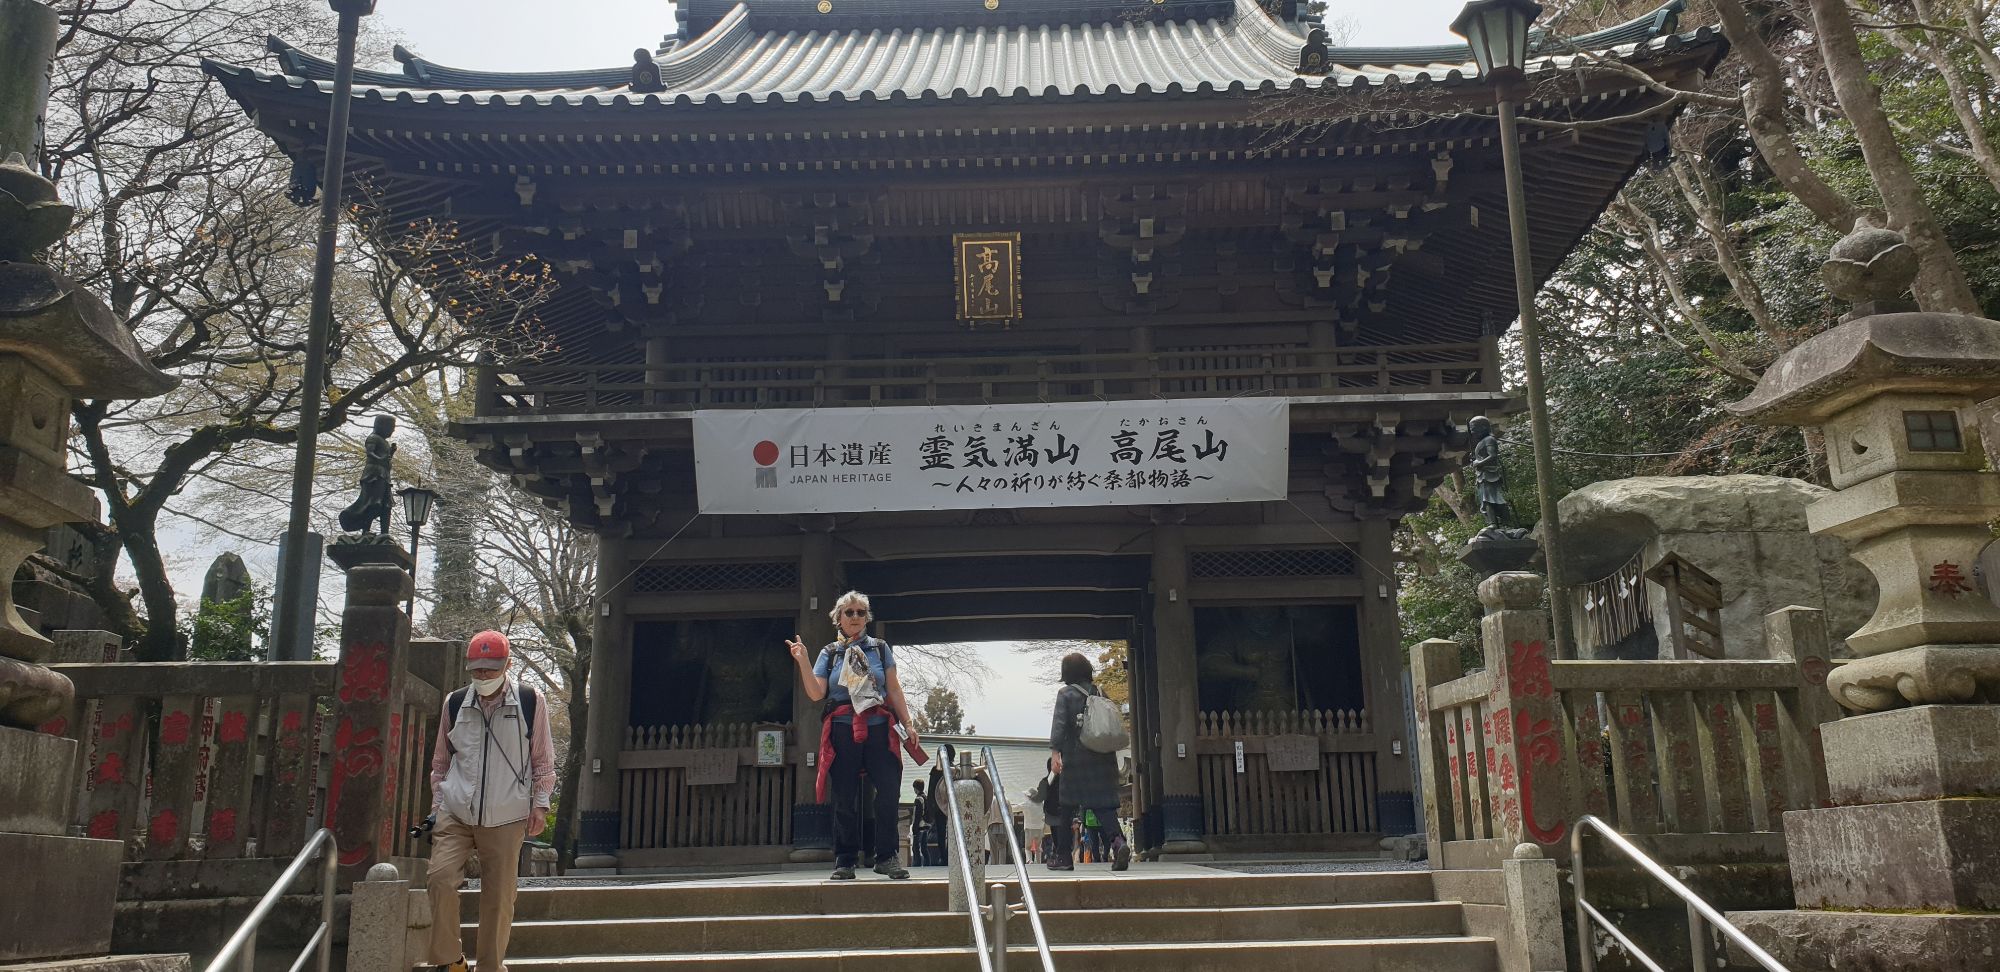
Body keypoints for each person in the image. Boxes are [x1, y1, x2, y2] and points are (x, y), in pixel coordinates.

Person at [424, 630, 555, 972]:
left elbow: (542, 761)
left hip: (507, 813)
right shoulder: (455, 703)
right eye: (477, 669)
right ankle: (451, 960)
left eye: (491, 668)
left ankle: (490, 967)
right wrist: (437, 807)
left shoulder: (530, 700)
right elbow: (441, 762)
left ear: (507, 665)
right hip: (456, 809)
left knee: (498, 897)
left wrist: (540, 804)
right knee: (439, 878)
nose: (483, 675)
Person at [786, 590, 922, 881]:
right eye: (850, 612)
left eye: (861, 612)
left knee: (888, 791)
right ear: (839, 618)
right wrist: (803, 661)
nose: (856, 617)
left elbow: (893, 689)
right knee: (844, 795)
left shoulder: (880, 649)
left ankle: (886, 856)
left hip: (878, 726)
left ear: (867, 617)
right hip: (843, 727)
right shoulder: (829, 653)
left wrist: (908, 723)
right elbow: (816, 693)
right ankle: (845, 859)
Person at [1050, 651, 1130, 871]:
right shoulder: (1101, 692)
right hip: (1104, 758)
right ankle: (1118, 842)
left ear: (1066, 673)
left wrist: (1055, 753)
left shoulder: (1065, 694)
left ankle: (1063, 857)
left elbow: (1059, 725)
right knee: (1103, 806)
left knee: (1067, 807)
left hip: (1077, 759)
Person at [909, 781, 931, 866]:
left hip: (920, 826)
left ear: (916, 788)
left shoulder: (918, 799)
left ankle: (916, 864)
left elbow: (916, 815)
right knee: (924, 847)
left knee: (915, 847)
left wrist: (914, 827)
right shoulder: (926, 797)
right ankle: (927, 864)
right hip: (927, 825)